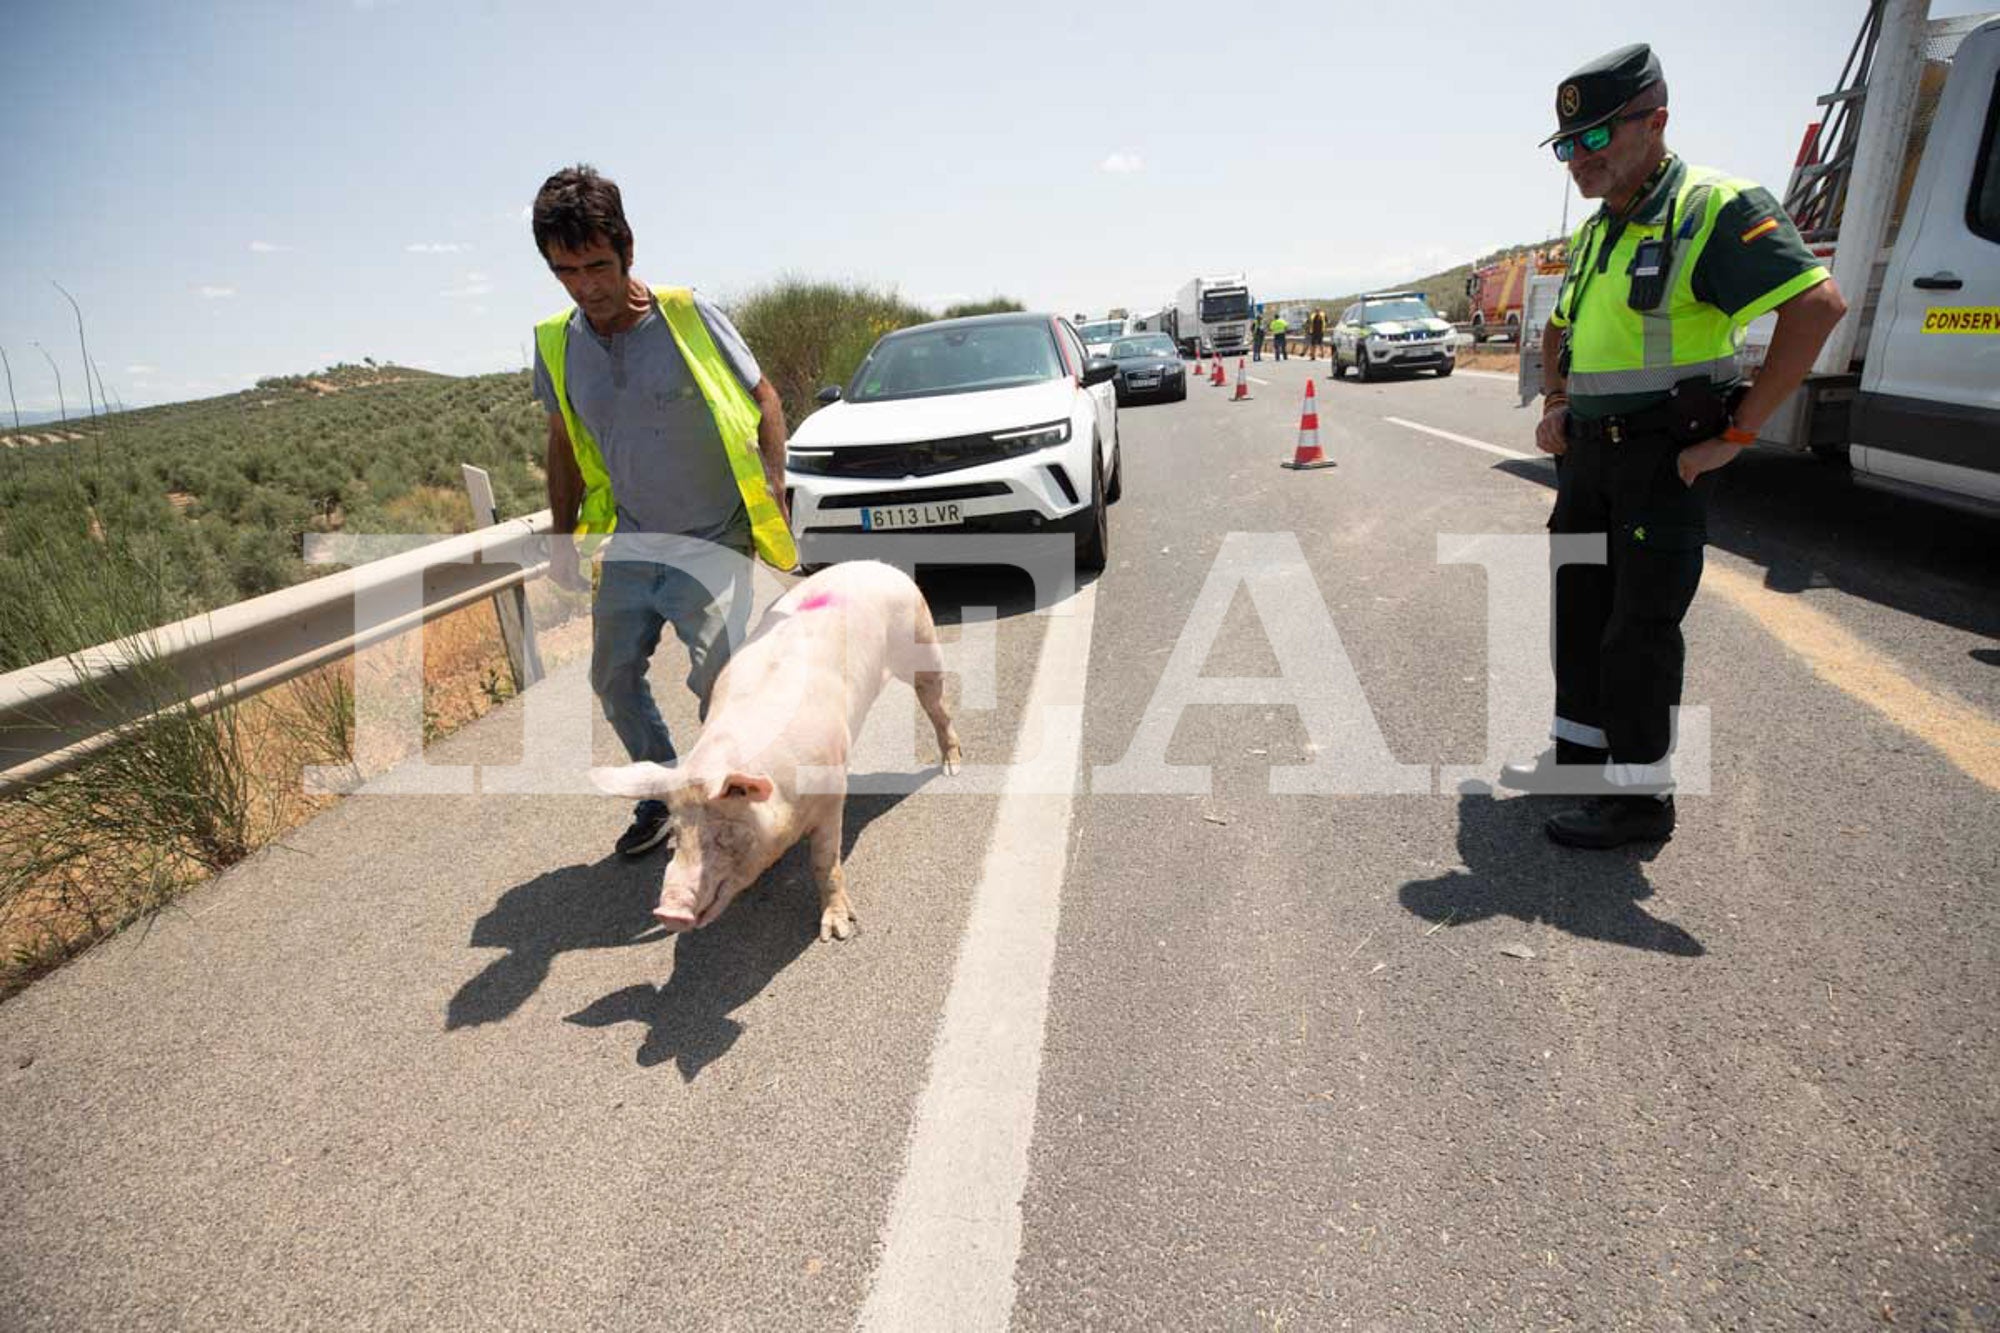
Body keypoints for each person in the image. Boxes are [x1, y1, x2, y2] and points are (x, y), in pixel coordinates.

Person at [1501, 44, 1846, 848]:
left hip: (1664, 457)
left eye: (1596, 139)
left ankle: (1638, 801)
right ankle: (1581, 761)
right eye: (1566, 146)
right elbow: (1559, 330)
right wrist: (1555, 400)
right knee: (1581, 612)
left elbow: (1818, 307)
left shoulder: (1712, 205)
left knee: (1638, 629)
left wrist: (1740, 432)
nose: (1578, 160)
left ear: (1655, 121)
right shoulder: (1597, 234)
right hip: (1589, 457)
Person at [529, 164, 798, 857]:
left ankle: (733, 806)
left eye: (598, 265)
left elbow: (765, 397)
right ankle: (664, 800)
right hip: (634, 539)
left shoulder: (687, 318)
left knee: (719, 680)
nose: (587, 285)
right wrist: (562, 537)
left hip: (714, 535)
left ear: (627, 251)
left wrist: (773, 484)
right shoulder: (557, 342)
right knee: (612, 678)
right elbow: (561, 438)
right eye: (567, 271)